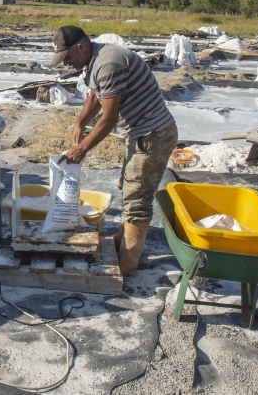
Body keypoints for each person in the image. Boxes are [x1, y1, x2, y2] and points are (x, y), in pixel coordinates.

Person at [52, 26, 177, 276]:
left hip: (153, 134)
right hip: (142, 132)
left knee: (137, 196)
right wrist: (80, 123)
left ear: (81, 47)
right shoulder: (95, 60)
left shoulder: (109, 63)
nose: (65, 62)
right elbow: (95, 97)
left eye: (67, 57)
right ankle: (121, 242)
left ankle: (127, 263)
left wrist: (82, 149)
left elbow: (109, 119)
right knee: (130, 186)